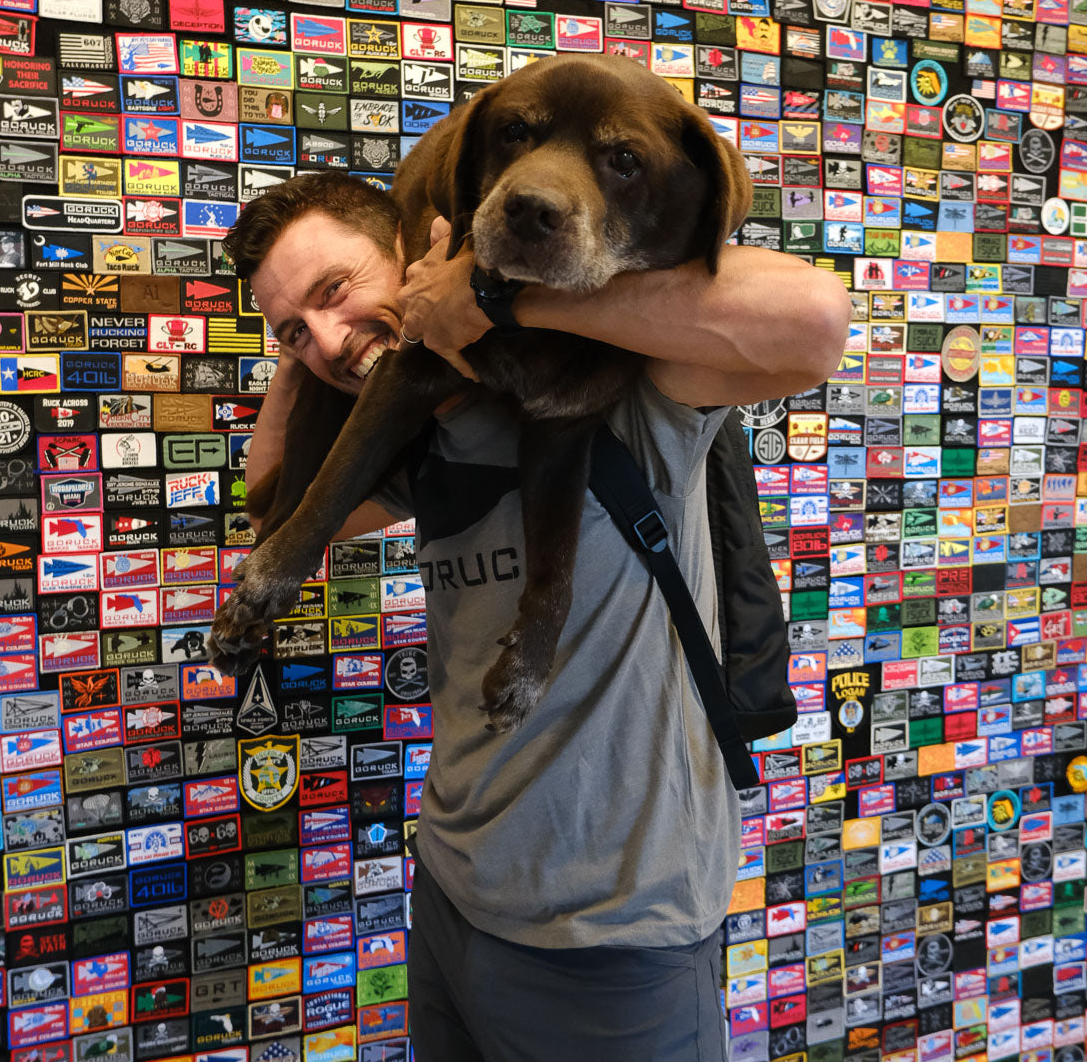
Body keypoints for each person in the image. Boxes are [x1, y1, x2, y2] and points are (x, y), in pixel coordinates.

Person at [225, 171, 851, 1061]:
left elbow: (815, 319)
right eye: (295, 328)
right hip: (451, 893)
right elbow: (273, 515)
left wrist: (488, 296)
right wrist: (310, 346)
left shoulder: (633, 390)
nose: (326, 337)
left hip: (613, 934)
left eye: (336, 290)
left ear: (413, 246)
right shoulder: (430, 429)